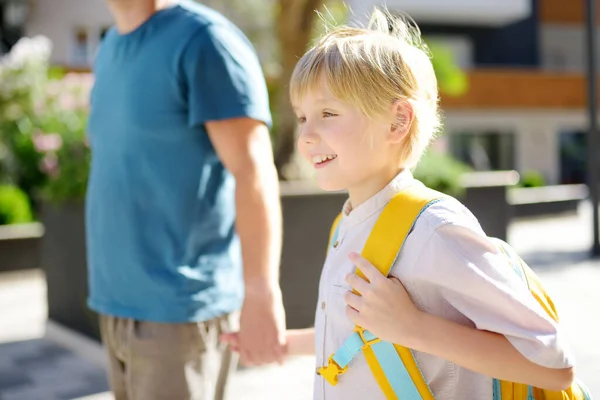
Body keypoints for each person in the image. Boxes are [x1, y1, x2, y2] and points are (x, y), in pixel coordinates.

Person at [222, 7, 575, 400]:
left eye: (327, 113)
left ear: (397, 122)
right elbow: (364, 332)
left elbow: (554, 366)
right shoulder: (348, 224)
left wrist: (413, 328)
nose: (306, 135)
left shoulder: (434, 229)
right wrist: (286, 345)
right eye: (303, 117)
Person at [85, 0, 286, 399]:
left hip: (179, 313)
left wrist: (262, 292)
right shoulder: (109, 48)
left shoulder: (205, 41)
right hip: (115, 304)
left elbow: (254, 172)